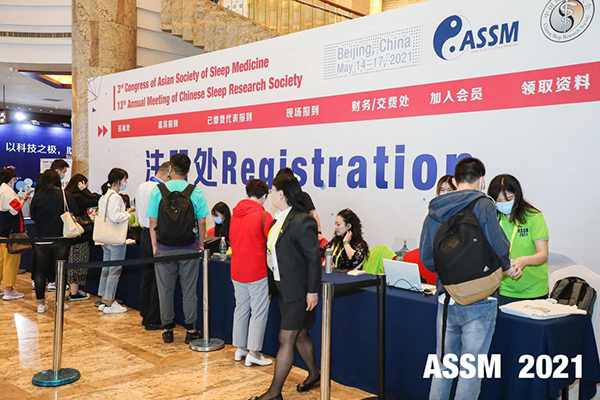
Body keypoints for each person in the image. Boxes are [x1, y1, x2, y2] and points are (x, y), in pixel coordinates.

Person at [419, 158, 511, 400]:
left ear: (454, 180)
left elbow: (426, 257)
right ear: (482, 180)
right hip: (481, 298)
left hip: (447, 298)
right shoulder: (484, 205)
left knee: (443, 367)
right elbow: (501, 248)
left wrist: (450, 275)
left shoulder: (435, 208)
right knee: (470, 372)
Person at [250, 173, 321, 400]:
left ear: (282, 194)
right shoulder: (278, 219)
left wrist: (312, 291)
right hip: (284, 288)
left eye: (272, 190)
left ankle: (274, 393)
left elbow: (313, 259)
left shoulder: (302, 220)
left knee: (286, 338)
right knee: (300, 334)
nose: (269, 193)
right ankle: (315, 373)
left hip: (298, 291)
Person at [148, 153, 208, 344]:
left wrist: (154, 246)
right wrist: (200, 244)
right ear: (188, 171)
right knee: (189, 290)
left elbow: (152, 222)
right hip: (189, 247)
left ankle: (167, 329)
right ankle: (190, 329)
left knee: (165, 290)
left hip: (164, 248)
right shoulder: (195, 192)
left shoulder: (158, 191)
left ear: (170, 169)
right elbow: (202, 222)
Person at [230, 179, 274, 367]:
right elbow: (272, 243)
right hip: (256, 269)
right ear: (264, 196)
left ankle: (240, 347)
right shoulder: (264, 216)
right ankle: (254, 352)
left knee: (241, 308)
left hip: (237, 268)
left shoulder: (235, 214)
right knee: (259, 311)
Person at [488, 174, 549, 305]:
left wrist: (524, 261)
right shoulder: (492, 218)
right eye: (498, 201)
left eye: (508, 199)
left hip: (534, 290)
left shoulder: (533, 217)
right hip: (503, 290)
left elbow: (543, 254)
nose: (503, 204)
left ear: (517, 195)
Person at [30, 170, 77, 313]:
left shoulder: (37, 196)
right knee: (60, 272)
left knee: (40, 271)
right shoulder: (64, 195)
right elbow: (74, 211)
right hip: (60, 238)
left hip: (42, 239)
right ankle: (59, 302)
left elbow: (33, 216)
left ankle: (40, 303)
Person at [134, 161, 171, 330]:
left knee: (147, 276)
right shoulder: (159, 190)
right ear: (168, 173)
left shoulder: (142, 186)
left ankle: (145, 313)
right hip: (155, 234)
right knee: (159, 279)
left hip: (143, 233)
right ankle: (154, 318)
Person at [404, 175, 457, 284]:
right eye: (442, 190)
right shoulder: (431, 217)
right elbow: (425, 253)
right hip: (443, 277)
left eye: (449, 190)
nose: (445, 194)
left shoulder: (464, 215)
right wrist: (440, 269)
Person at [97, 168, 134, 314]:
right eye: (125, 180)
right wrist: (128, 213)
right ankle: (109, 301)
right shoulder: (116, 197)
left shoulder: (104, 196)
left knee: (106, 269)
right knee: (115, 270)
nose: (125, 183)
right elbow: (115, 217)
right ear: (118, 181)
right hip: (115, 239)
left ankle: (104, 299)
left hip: (105, 238)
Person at [64, 174, 100, 301]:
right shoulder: (78, 196)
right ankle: (74, 292)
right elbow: (96, 200)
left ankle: (73, 289)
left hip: (70, 232)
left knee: (72, 260)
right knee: (78, 260)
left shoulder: (67, 194)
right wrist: (85, 191)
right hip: (80, 233)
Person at [0, 168, 29, 300]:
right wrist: (23, 199)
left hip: (2, 229)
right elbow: (15, 209)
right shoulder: (7, 191)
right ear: (11, 179)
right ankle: (9, 289)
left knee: (1, 261)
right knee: (11, 261)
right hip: (10, 231)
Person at [275, 168, 324, 240]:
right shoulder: (281, 199)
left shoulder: (302, 196)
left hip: (302, 232)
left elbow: (314, 213)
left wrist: (318, 232)